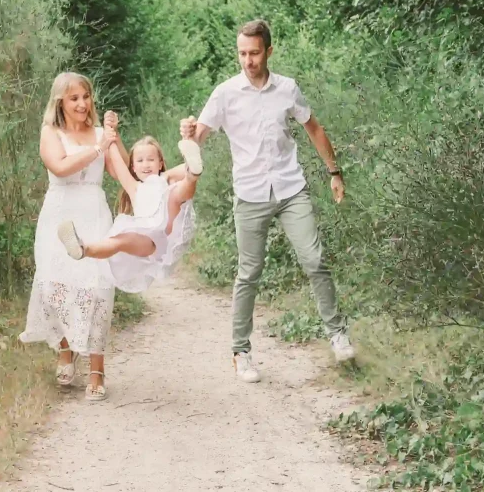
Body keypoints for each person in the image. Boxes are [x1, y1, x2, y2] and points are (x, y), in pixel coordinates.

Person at [180, 19, 355, 383]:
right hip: (250, 193)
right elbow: (199, 137)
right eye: (242, 53)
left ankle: (338, 335)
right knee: (249, 272)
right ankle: (241, 352)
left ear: (269, 51)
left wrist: (334, 173)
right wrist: (189, 133)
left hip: (291, 188)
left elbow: (314, 129)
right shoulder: (225, 93)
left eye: (255, 53)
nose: (248, 60)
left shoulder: (287, 88)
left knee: (315, 259)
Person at [19, 72, 128, 402]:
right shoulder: (50, 133)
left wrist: (112, 137)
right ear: (60, 103)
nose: (82, 103)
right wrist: (98, 148)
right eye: (74, 98)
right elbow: (60, 166)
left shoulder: (99, 134)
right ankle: (65, 350)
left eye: (86, 96)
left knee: (96, 289)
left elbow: (121, 170)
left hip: (94, 212)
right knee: (54, 284)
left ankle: (97, 368)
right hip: (60, 213)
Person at [57, 135, 202, 293]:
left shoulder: (165, 181)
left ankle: (191, 176)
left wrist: (171, 172)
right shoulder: (134, 188)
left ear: (160, 163)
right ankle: (83, 248)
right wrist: (110, 134)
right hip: (150, 242)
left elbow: (182, 168)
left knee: (175, 193)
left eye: (151, 159)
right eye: (140, 161)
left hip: (166, 232)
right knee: (119, 240)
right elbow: (119, 165)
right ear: (133, 167)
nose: (145, 164)